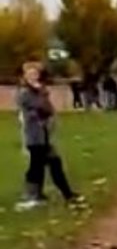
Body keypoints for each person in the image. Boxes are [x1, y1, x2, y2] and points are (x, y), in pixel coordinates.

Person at [16, 62, 83, 209]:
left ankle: (67, 194)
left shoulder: (41, 91)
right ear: (25, 77)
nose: (34, 77)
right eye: (30, 74)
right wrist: (42, 97)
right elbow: (37, 109)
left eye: (36, 74)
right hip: (34, 136)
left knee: (54, 163)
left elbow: (49, 109)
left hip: (45, 134)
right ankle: (33, 195)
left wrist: (43, 98)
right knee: (37, 166)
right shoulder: (24, 93)